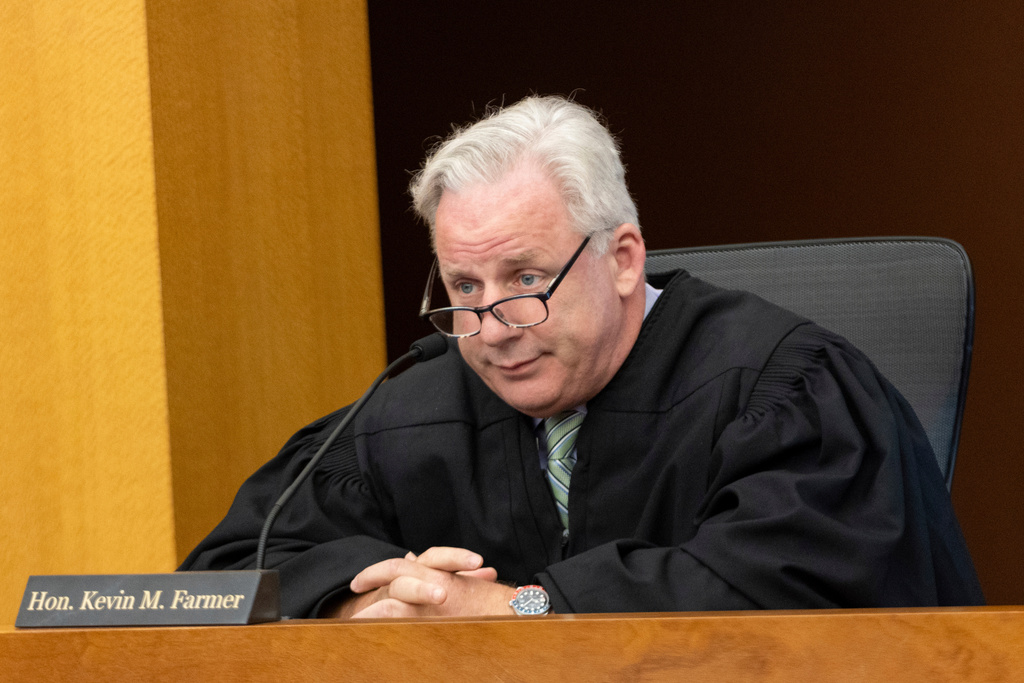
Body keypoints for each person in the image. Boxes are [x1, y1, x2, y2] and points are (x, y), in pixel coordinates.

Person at [180, 95, 984, 618]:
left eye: (526, 277)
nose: (492, 326)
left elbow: (793, 590)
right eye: (464, 286)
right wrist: (364, 601)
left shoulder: (782, 386)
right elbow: (233, 569)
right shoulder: (412, 407)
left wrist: (520, 608)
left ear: (624, 257)